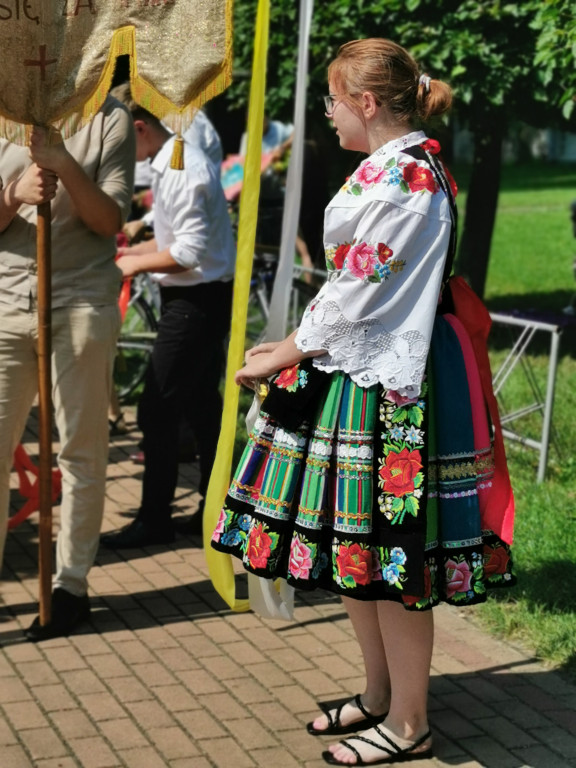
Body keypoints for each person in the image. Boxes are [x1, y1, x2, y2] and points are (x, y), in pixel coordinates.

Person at [211, 38, 515, 766]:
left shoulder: (409, 175)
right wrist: (294, 343)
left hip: (394, 387)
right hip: (362, 373)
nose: (328, 113)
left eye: (334, 101)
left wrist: (287, 350)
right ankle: (380, 696)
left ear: (367, 103)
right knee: (360, 551)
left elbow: (363, 290)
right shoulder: (391, 168)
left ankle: (410, 723)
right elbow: (355, 283)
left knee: (391, 556)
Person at [0, 97, 136, 640]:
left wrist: (62, 162)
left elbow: (108, 220)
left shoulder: (109, 117)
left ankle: (70, 587)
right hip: (7, 303)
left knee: (81, 450)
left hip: (82, 300)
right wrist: (15, 193)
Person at [100, 84, 235, 549]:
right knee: (200, 408)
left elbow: (188, 252)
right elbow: (172, 240)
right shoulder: (171, 158)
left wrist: (130, 263)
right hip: (196, 297)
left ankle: (156, 518)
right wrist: (132, 249)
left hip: (197, 301)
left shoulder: (179, 166)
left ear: (140, 128)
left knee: (157, 410)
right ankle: (215, 511)